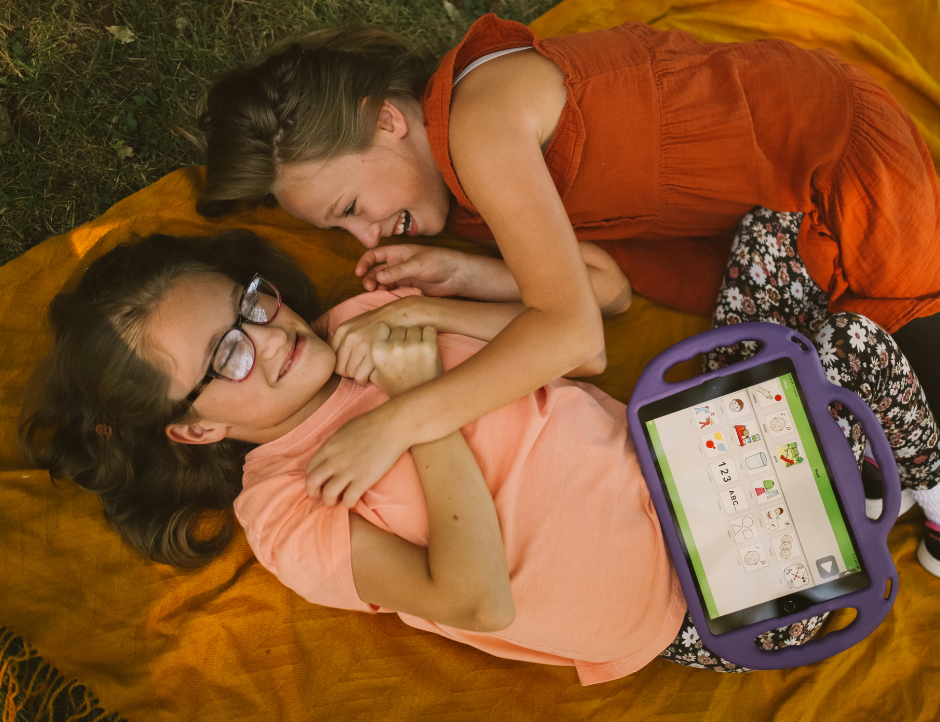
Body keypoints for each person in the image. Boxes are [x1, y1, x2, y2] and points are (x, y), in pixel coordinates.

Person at [19, 228, 940, 679]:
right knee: (879, 352)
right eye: (224, 357)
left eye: (251, 303)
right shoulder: (286, 508)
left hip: (686, 446)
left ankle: (898, 481)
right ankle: (913, 488)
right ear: (194, 428)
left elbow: (580, 338)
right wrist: (415, 410)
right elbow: (475, 596)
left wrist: (463, 286)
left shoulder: (368, 320)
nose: (265, 336)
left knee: (782, 242)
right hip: (707, 596)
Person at [195, 16, 940, 510]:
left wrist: (400, 423)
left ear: (386, 121)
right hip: (755, 226)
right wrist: (458, 286)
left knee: (876, 369)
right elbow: (605, 292)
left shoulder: (482, 128)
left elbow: (574, 338)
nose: (364, 238)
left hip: (837, 172)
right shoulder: (465, 197)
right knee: (779, 414)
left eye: (350, 208)